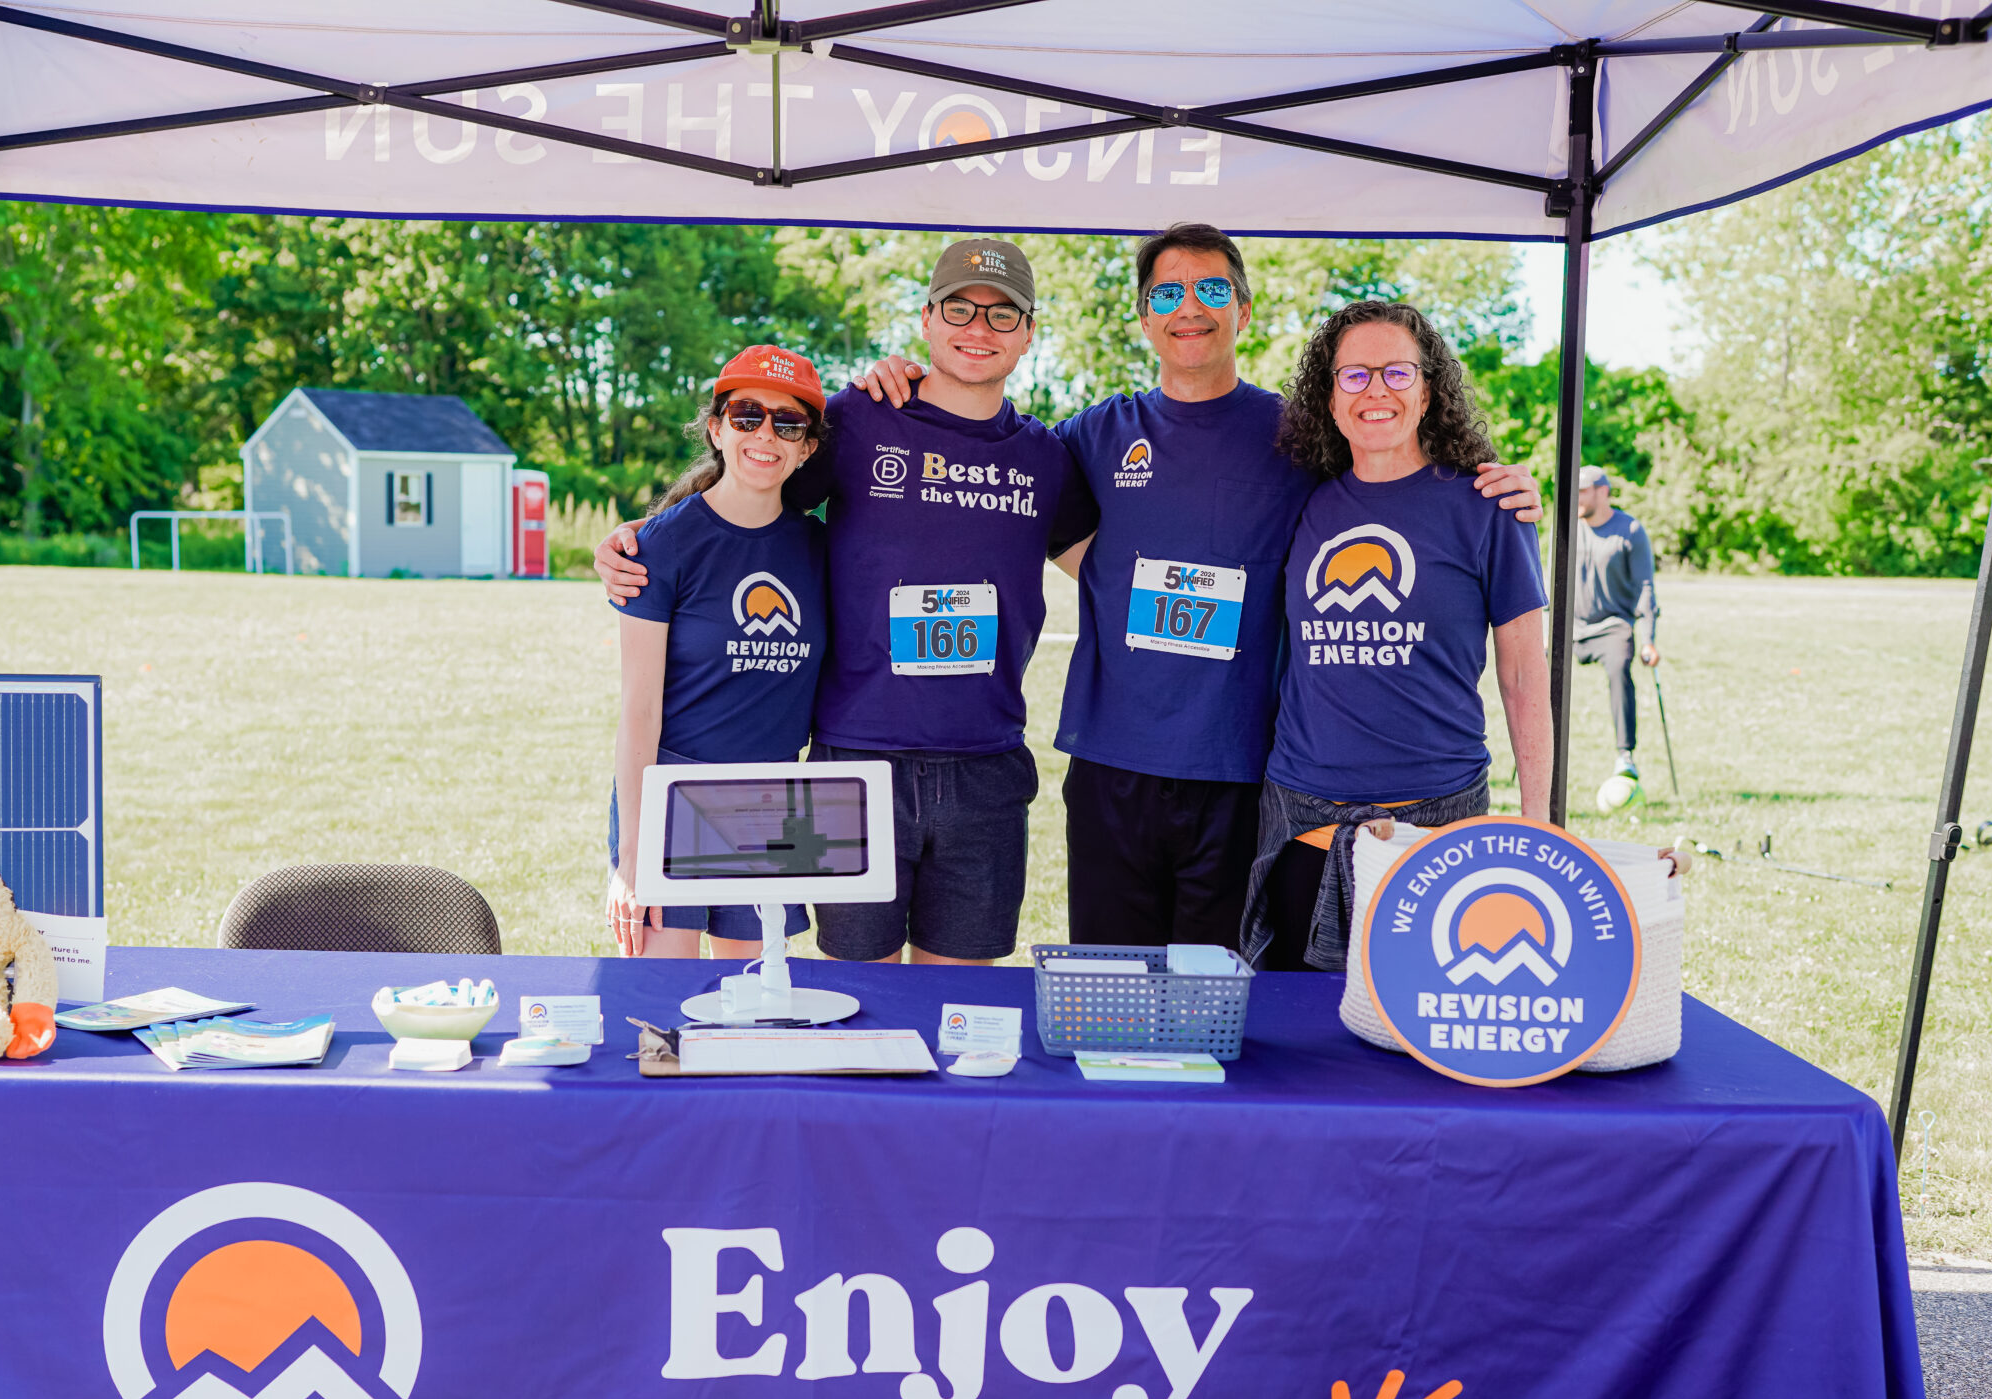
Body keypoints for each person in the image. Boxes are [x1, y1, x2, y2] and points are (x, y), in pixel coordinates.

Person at [858, 223, 1542, 950]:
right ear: (1145, 315)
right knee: (1112, 999)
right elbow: (995, 464)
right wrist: (900, 383)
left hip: (1242, 772)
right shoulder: (1092, 435)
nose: (1191, 306)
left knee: (1216, 1008)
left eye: (1213, 289)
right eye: (1169, 292)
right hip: (1111, 766)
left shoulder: (1298, 435)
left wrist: (1494, 478)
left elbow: (1391, 451)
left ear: (1243, 311)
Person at [599, 240, 1098, 967]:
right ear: (926, 319)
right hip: (856, 765)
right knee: (858, 1006)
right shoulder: (859, 420)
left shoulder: (1046, 459)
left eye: (1002, 314)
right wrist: (643, 536)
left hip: (984, 769)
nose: (978, 327)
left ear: (1029, 334)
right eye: (959, 308)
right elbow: (746, 497)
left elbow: (1106, 574)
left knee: (953, 1011)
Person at [1238, 300, 1554, 972]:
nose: (1376, 389)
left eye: (1397, 372)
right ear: (1329, 397)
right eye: (1354, 375)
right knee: (1305, 1047)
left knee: (1426, 1042)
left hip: (1438, 820)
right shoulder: (1304, 502)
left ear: (1429, 390)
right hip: (1306, 821)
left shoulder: (1491, 506)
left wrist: (1541, 823)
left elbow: (1525, 675)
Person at [607, 345, 833, 961]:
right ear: (716, 428)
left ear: (808, 446)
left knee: (755, 1012)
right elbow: (638, 712)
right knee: (662, 1013)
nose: (767, 434)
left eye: (789, 424)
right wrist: (631, 858)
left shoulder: (819, 548)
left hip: (772, 798)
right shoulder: (664, 543)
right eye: (746, 415)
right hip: (671, 794)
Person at [1572, 465, 1662, 803]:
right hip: (1572, 626)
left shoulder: (1630, 530)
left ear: (1603, 491)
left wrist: (1649, 638)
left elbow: (1645, 588)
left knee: (1619, 669)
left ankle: (1625, 755)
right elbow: (1546, 581)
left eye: (1583, 491)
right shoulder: (1567, 526)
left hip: (1613, 626)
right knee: (1539, 676)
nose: (1576, 498)